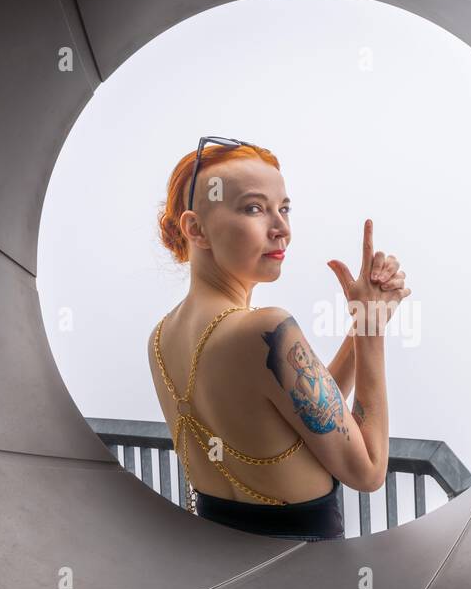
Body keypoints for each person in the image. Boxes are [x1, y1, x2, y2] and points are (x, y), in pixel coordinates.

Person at [149, 138, 411, 542]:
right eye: (254, 208)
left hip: (220, 569)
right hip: (307, 581)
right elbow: (369, 471)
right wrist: (372, 329)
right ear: (195, 229)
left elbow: (307, 412)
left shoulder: (160, 338)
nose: (282, 229)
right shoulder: (265, 328)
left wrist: (361, 321)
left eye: (283, 208)